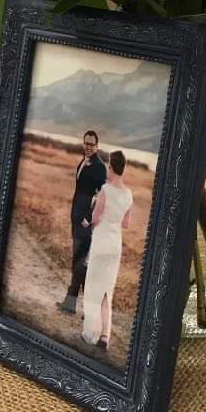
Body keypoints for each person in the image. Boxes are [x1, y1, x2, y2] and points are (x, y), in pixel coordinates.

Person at [81, 150, 133, 351]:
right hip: (115, 246)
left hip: (101, 242)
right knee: (106, 291)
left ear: (112, 167)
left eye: (109, 166)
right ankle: (105, 336)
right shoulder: (128, 194)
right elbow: (126, 224)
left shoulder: (105, 190)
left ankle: (90, 333)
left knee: (94, 288)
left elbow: (95, 218)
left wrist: (93, 210)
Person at [56, 130, 107, 314]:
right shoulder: (83, 162)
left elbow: (102, 197)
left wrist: (89, 218)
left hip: (85, 223)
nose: (88, 146)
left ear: (97, 146)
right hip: (76, 219)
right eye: (86, 143)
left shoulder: (99, 167)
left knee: (80, 264)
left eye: (92, 144)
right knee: (78, 263)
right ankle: (75, 306)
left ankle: (87, 308)